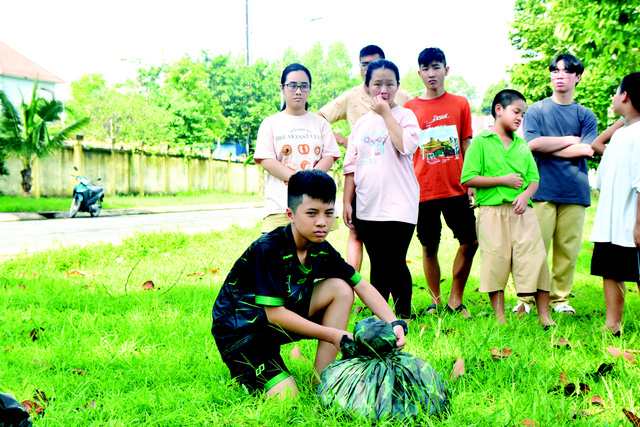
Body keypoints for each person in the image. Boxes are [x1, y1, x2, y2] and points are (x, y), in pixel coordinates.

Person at [211, 170, 408, 399]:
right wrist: (334, 335)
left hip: (273, 323)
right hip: (241, 334)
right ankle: (246, 372)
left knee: (341, 288)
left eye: (329, 213)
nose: (322, 222)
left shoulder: (321, 249)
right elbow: (275, 315)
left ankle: (322, 381)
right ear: (290, 214)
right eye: (312, 213)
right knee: (287, 396)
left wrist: (394, 323)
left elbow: (361, 285)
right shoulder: (269, 249)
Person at [461, 90, 556, 327]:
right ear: (499, 110)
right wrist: (502, 180)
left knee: (536, 260)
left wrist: (526, 195)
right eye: (516, 112)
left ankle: (545, 317)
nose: (519, 118)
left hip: (523, 214)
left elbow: (533, 179)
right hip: (492, 213)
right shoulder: (481, 143)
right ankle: (500, 319)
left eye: (522, 114)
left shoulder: (523, 146)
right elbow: (468, 178)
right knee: (495, 262)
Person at [317, 45, 412, 272]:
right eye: (365, 64)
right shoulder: (351, 96)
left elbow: (410, 139)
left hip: (395, 182)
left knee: (392, 252)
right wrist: (343, 140)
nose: (370, 68)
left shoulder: (399, 96)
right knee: (357, 233)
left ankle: (394, 304)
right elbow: (318, 118)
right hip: (363, 175)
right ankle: (354, 292)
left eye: (375, 63)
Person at [515, 54, 597, 315]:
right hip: (541, 190)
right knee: (534, 248)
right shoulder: (537, 110)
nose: (559, 75)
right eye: (555, 70)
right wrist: (572, 140)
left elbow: (587, 151)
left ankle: (560, 300)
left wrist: (549, 146)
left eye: (566, 71)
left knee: (567, 251)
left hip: (575, 190)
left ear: (578, 77)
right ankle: (526, 300)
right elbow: (532, 145)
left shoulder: (586, 114)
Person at [342, 59, 420, 320]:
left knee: (396, 260)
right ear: (367, 87)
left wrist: (386, 113)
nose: (384, 89)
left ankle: (404, 316)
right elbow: (351, 165)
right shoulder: (362, 124)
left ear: (398, 86)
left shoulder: (406, 116)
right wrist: (347, 202)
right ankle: (381, 318)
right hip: (367, 204)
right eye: (377, 84)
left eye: (390, 84)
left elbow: (406, 146)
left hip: (400, 205)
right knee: (377, 264)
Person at [403, 47, 478, 317]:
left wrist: (471, 181)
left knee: (471, 240)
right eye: (425, 68)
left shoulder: (460, 104)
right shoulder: (410, 108)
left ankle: (456, 299)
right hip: (422, 189)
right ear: (419, 73)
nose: (431, 73)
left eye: (436, 67)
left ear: (446, 70)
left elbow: (466, 143)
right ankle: (435, 301)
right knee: (428, 246)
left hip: (456, 187)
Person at [254, 63, 341, 234]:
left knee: (313, 257)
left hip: (316, 206)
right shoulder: (270, 123)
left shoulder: (320, 123)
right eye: (292, 86)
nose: (298, 91)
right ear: (282, 88)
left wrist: (311, 181)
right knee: (276, 256)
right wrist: (299, 181)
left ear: (309, 89)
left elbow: (329, 156)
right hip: (280, 205)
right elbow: (267, 160)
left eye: (304, 86)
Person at [590, 72, 640, 336]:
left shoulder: (638, 133)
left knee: (638, 271)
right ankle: (613, 324)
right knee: (610, 269)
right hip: (610, 218)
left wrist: (639, 224)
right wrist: (624, 118)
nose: (613, 97)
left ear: (625, 96)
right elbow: (598, 144)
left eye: (616, 92)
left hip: (630, 219)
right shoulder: (623, 131)